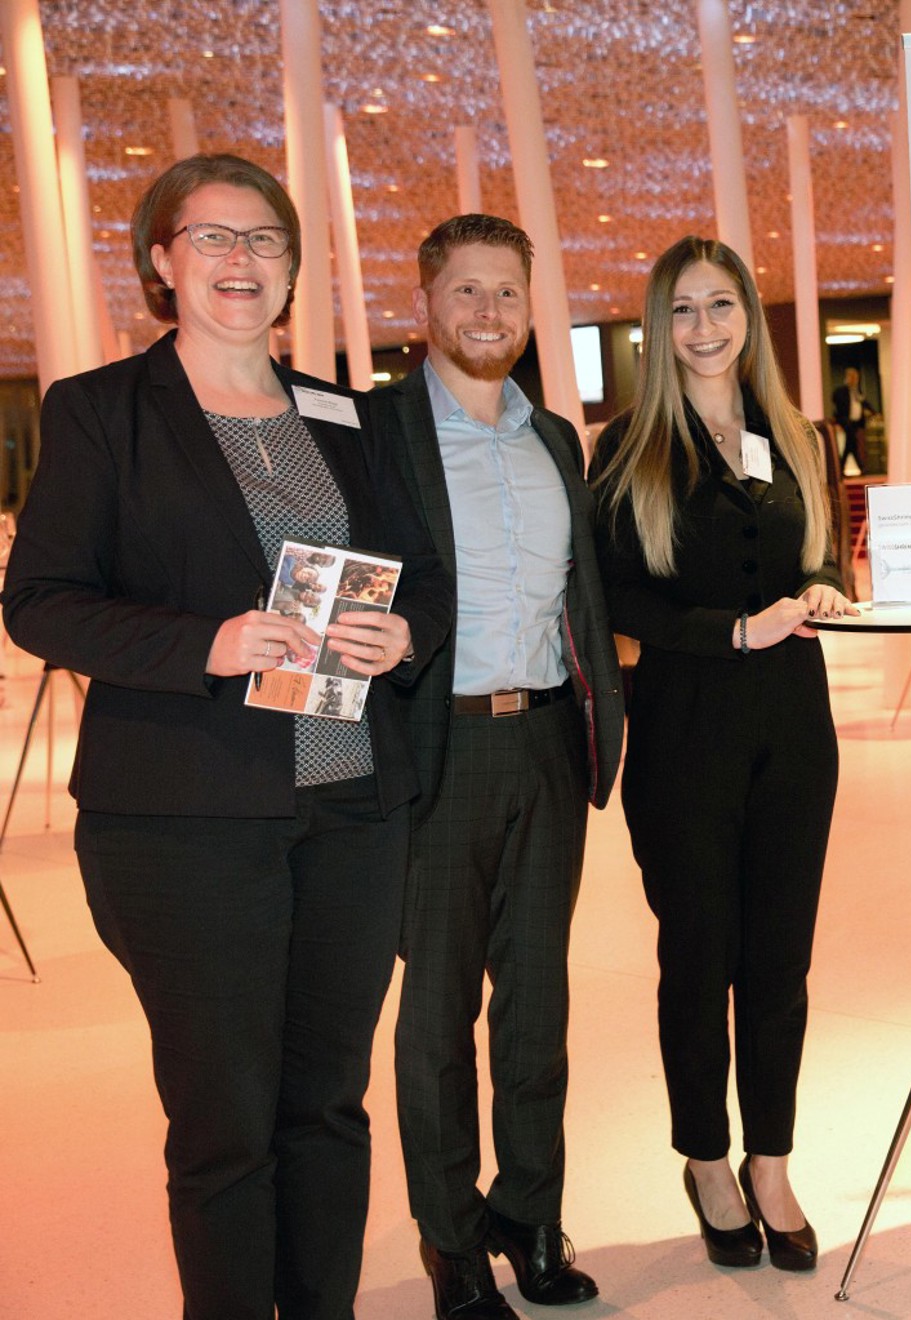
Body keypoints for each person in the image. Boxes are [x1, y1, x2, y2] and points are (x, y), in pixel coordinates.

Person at [1, 153, 450, 1320]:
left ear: (293, 266)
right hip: (187, 822)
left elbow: (423, 574)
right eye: (212, 237)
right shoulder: (102, 411)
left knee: (328, 1105)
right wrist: (204, 642)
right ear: (162, 259)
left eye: (264, 240)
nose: (240, 260)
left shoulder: (344, 413)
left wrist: (404, 633)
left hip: (351, 808)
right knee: (224, 1123)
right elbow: (40, 601)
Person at [590, 236, 855, 1272]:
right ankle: (706, 1159)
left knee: (779, 959)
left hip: (794, 727)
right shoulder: (628, 445)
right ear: (659, 328)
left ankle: (770, 1162)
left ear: (749, 315)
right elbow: (613, 593)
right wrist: (729, 630)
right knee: (699, 956)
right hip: (683, 728)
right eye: (682, 310)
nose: (703, 328)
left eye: (721, 305)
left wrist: (825, 583)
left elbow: (822, 551)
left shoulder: (800, 436)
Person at [380, 215, 625, 1320]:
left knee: (537, 1006)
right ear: (426, 303)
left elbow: (584, 597)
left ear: (531, 308)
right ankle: (450, 1242)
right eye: (467, 290)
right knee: (436, 1013)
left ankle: (529, 1218)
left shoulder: (554, 438)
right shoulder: (381, 431)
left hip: (546, 743)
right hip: (437, 743)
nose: (489, 312)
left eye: (508, 293)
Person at [830, 365, 874, 475]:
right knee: (852, 442)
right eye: (852, 377)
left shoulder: (858, 392)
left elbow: (865, 404)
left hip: (856, 423)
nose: (854, 380)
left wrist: (873, 412)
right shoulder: (841, 391)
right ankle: (860, 467)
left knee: (850, 445)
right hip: (846, 422)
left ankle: (840, 468)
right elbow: (837, 405)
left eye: (856, 378)